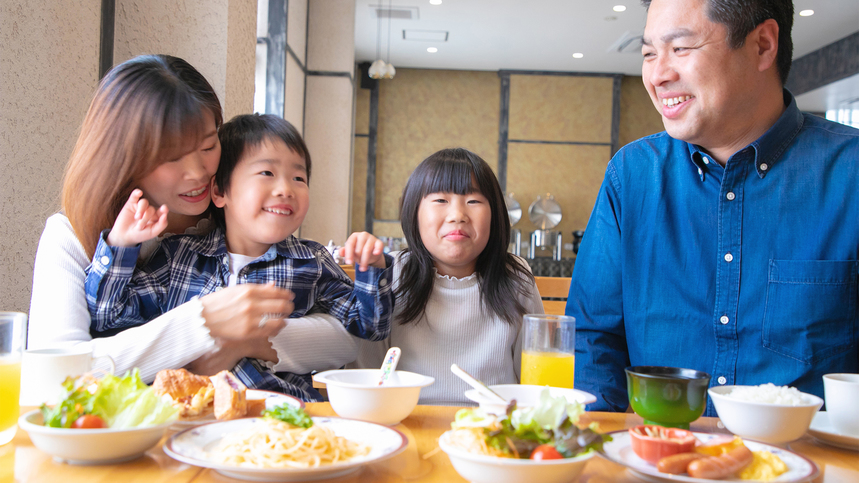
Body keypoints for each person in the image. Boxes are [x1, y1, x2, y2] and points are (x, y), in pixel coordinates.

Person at [568, 0, 859, 415]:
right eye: (650, 53)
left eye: (681, 49)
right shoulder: (632, 175)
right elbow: (593, 338)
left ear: (762, 45)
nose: (657, 75)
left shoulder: (850, 174)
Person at [29, 55, 357, 388]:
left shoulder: (231, 220)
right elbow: (54, 376)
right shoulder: (70, 235)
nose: (198, 172)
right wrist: (202, 326)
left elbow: (345, 335)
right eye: (172, 157)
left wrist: (245, 342)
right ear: (125, 159)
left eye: (207, 146)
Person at [85, 113, 393, 400]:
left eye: (299, 178)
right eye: (267, 173)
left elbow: (367, 327)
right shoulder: (179, 256)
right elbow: (109, 314)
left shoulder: (311, 261)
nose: (285, 189)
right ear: (219, 192)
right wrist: (121, 244)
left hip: (282, 418)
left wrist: (372, 269)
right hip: (192, 417)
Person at [353, 148, 544, 405]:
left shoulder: (516, 277)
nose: (457, 215)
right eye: (441, 200)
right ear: (414, 212)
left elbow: (536, 382)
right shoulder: (391, 273)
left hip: (493, 427)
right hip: (407, 421)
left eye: (474, 201)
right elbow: (365, 373)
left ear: (495, 214)